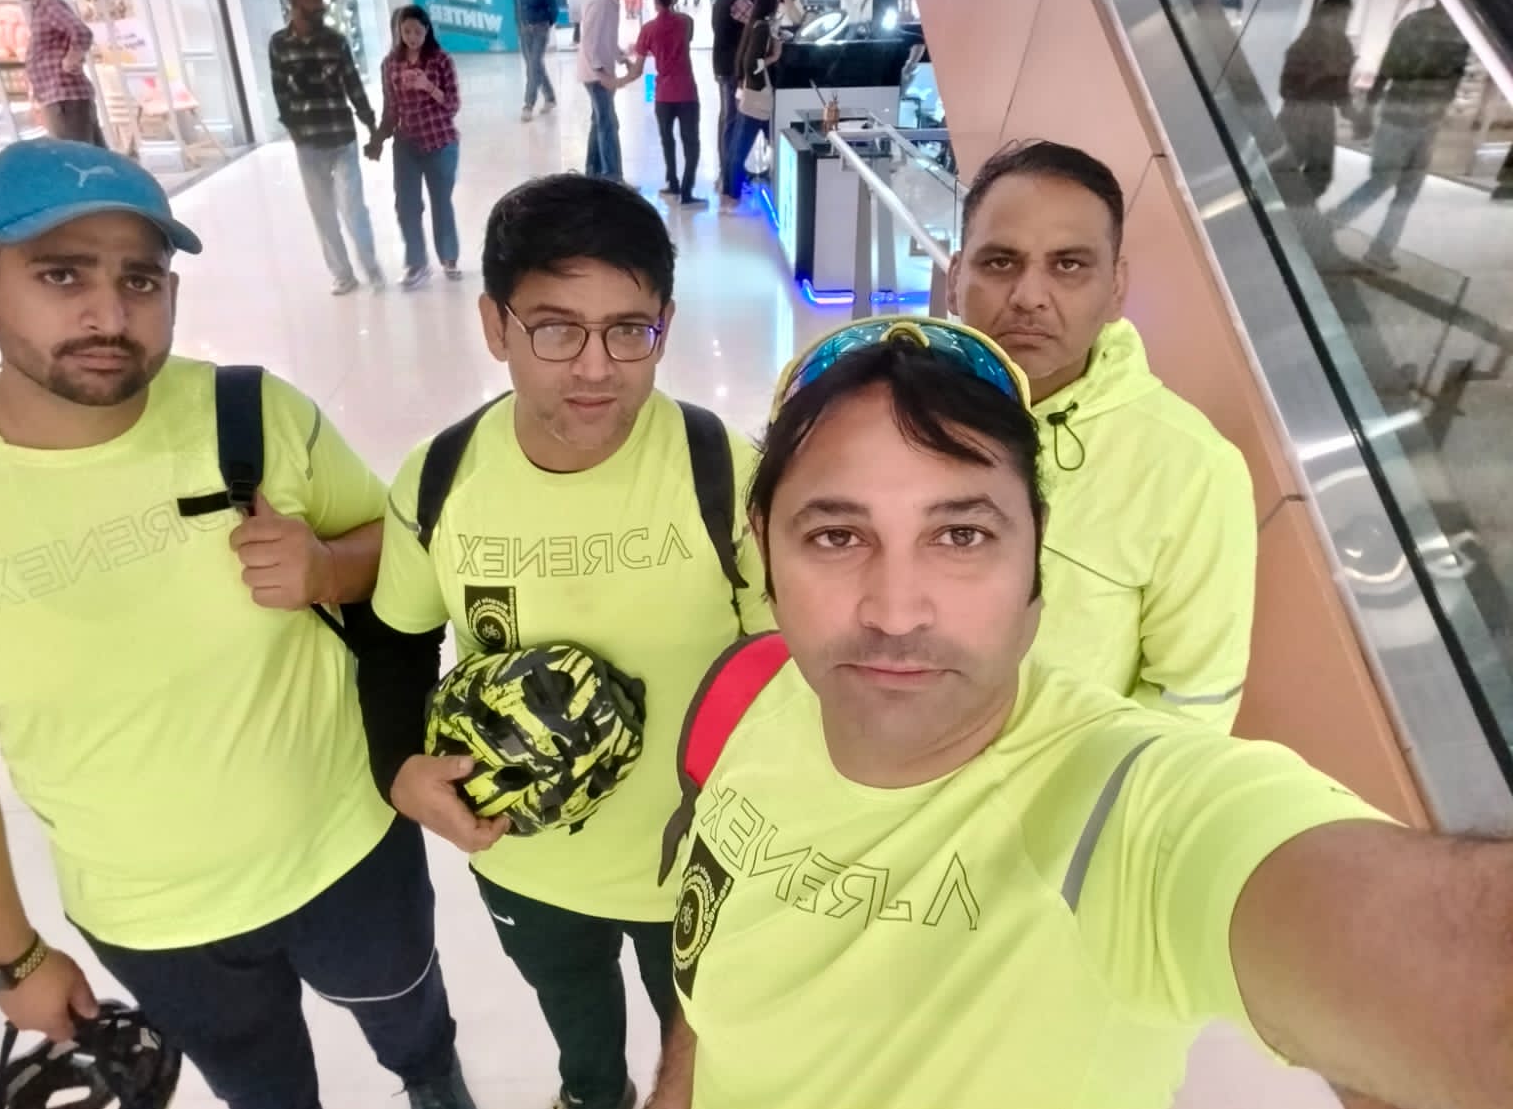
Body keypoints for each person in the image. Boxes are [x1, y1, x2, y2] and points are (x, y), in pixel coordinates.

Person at [647, 313, 1513, 1109]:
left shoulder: (1120, 808)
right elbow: (709, 975)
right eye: (836, 536)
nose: (897, 611)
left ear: (1037, 555)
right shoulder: (764, 697)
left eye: (961, 535)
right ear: (764, 547)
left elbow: (1452, 971)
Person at [0, 139, 471, 1109]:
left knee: (412, 1022)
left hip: (350, 842)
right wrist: (11, 958)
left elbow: (404, 544)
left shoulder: (250, 414)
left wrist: (326, 565)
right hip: (153, 916)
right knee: (261, 1087)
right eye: (61, 275)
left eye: (139, 279)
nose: (108, 314)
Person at [359, 174, 772, 1109]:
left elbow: (784, 663)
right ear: (495, 325)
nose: (595, 368)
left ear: (665, 323)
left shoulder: (724, 470)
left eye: (629, 330)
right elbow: (396, 636)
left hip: (704, 864)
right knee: (578, 1028)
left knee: (706, 1057)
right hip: (525, 859)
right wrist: (397, 767)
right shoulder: (441, 478)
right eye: (555, 329)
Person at [948, 141, 1255, 729]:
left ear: (1116, 287)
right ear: (955, 278)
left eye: (1068, 265)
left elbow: (1191, 701)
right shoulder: (884, 417)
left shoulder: (1191, 466)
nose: (1029, 297)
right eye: (1000, 263)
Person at [1325, 0, 1470, 271]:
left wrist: (1369, 108)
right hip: (1422, 119)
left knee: (1388, 183)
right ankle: (1367, 244)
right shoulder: (1461, 31)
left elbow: (1386, 69)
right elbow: (1452, 78)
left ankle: (1342, 231)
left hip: (1401, 115)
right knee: (1400, 189)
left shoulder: (1414, 22)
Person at [269, 0, 385, 296]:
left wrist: (371, 126)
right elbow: (280, 91)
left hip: (341, 137)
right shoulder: (279, 45)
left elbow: (353, 84)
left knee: (353, 208)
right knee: (322, 214)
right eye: (313, 0)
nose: (320, 5)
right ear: (294, 2)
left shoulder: (336, 42)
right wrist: (292, 128)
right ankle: (342, 275)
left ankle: (371, 268)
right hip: (307, 143)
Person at [369, 5, 463, 289]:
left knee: (441, 202)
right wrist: (378, 138)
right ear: (398, 31)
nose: (412, 37)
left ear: (427, 31)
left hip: (440, 142)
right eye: (406, 31)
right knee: (406, 204)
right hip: (406, 143)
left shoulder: (441, 60)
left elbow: (453, 105)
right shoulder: (390, 64)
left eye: (417, 32)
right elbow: (390, 108)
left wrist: (428, 86)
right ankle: (416, 262)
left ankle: (449, 257)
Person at [8, 0, 103, 147]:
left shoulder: (48, 5)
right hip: (64, 99)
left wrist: (71, 59)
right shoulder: (43, 6)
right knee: (92, 157)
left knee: (74, 158)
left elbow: (81, 32)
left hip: (64, 100)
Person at [1277, 0, 1358, 201]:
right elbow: (1286, 88)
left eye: (1345, 17)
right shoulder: (1305, 45)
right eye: (1336, 16)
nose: (1341, 22)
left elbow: (1341, 90)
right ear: (1323, 16)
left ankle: (1292, 209)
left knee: (1319, 175)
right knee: (1283, 170)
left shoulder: (1343, 46)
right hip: (1298, 113)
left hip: (1322, 114)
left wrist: (1354, 114)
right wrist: (1318, 81)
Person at [634, 0, 706, 207]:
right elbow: (688, 38)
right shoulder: (686, 22)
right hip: (686, 91)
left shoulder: (648, 29)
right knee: (691, 141)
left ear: (654, 0)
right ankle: (687, 190)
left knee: (667, 140)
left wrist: (619, 78)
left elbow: (638, 66)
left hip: (663, 94)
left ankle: (672, 182)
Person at [721, 0, 783, 211]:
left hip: (748, 94)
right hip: (758, 96)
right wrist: (773, 57)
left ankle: (729, 192)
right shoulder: (762, 28)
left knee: (737, 145)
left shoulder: (754, 24)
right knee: (742, 147)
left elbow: (743, 60)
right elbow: (752, 64)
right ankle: (733, 195)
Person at [580, 0, 641, 183]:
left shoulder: (613, 4)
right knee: (608, 124)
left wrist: (623, 59)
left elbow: (608, 40)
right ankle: (613, 178)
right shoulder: (600, 3)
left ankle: (592, 173)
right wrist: (601, 74)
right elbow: (590, 42)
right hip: (596, 76)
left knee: (599, 122)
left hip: (602, 72)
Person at [711, 0, 762, 195]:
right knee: (732, 120)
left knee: (727, 118)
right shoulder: (739, 0)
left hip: (723, 65)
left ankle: (728, 172)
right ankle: (729, 175)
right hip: (731, 68)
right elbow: (759, 23)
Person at [514, 0, 559, 121]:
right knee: (535, 66)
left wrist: (546, 23)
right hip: (524, 30)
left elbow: (553, 8)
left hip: (540, 29)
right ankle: (550, 97)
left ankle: (528, 104)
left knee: (533, 67)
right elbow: (517, 6)